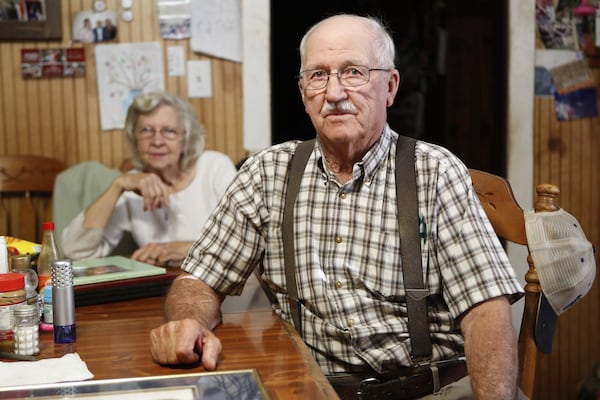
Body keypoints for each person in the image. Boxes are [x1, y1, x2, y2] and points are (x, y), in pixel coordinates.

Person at [149, 14, 525, 399]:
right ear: (302, 91)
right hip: (310, 389)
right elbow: (199, 279)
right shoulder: (267, 174)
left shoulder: (434, 172)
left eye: (353, 72)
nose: (334, 93)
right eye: (318, 76)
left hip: (431, 390)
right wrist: (187, 320)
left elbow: (486, 311)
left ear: (390, 87)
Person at [61, 91, 237, 267]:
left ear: (186, 138)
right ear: (134, 138)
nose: (157, 141)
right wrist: (118, 185)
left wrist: (182, 249)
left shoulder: (215, 167)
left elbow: (245, 240)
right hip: (161, 289)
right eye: (146, 130)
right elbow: (74, 251)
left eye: (169, 131)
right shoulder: (133, 185)